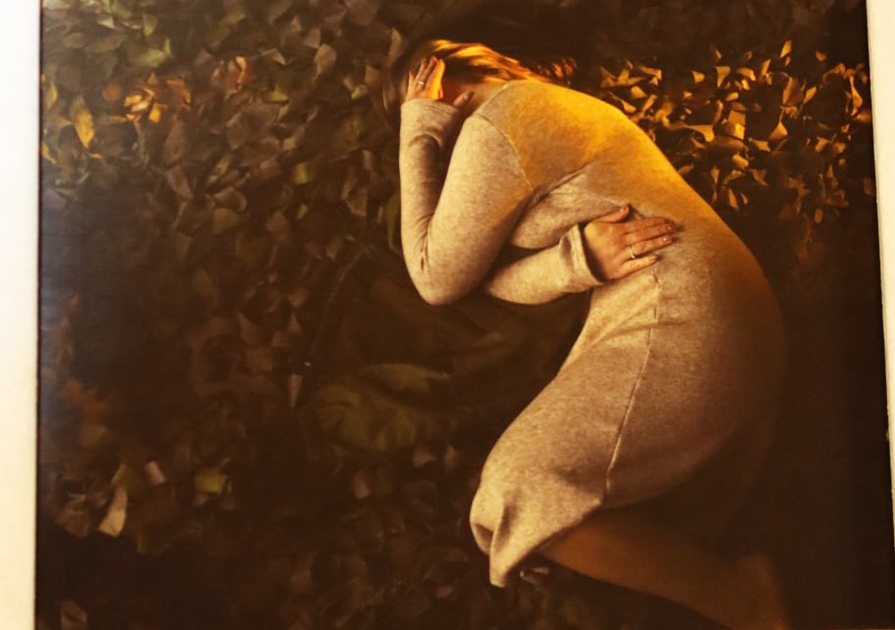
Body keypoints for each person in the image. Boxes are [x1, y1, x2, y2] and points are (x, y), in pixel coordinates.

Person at [382, 39, 788, 630]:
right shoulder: (539, 112)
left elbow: (435, 277)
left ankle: (746, 600)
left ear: (438, 85)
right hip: (702, 304)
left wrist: (418, 129)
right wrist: (575, 261)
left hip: (682, 310)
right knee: (573, 512)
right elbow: (482, 282)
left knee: (517, 488)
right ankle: (742, 600)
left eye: (417, 102)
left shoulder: (499, 122)